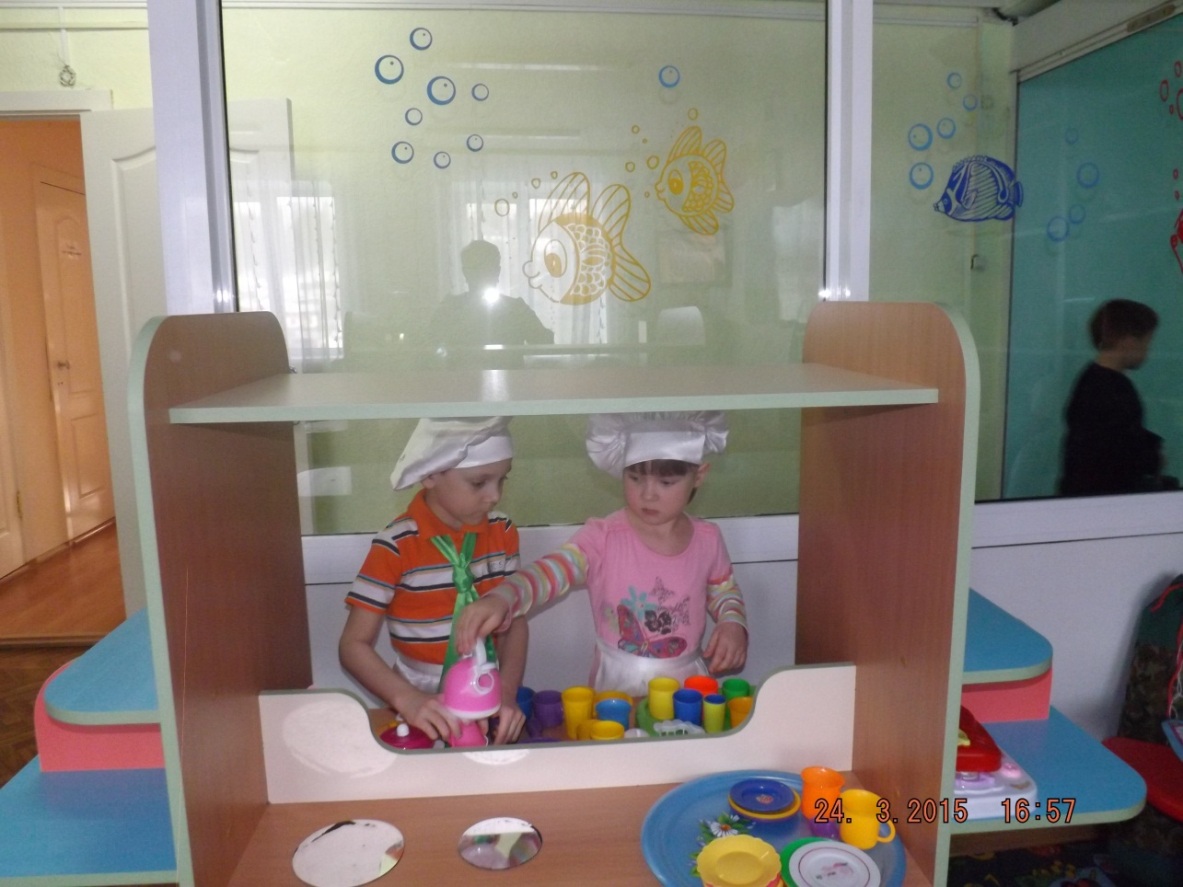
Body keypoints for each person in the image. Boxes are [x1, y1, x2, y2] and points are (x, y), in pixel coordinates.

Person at [455, 411, 748, 698]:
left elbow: (724, 590)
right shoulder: (604, 537)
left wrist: (732, 622)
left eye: (666, 483)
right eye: (635, 478)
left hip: (688, 685)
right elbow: (551, 572)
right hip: (618, 685)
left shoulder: (708, 539)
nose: (648, 494)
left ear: (699, 476)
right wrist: (503, 597)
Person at [339, 416, 528, 745]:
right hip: (418, 702)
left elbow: (515, 623)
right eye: (479, 483)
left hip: (485, 695)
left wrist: (507, 692)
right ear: (430, 475)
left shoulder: (503, 532)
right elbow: (353, 646)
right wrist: (408, 700)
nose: (494, 496)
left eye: (502, 480)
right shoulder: (396, 546)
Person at [1058, 298, 1177, 496]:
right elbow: (1118, 451)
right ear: (1129, 342)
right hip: (1103, 499)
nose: (1147, 351)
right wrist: (1154, 458)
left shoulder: (1090, 379)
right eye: (1146, 343)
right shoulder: (1113, 389)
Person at [427, 239, 553, 354]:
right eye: (477, 269)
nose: (482, 274)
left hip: (505, 373)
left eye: (487, 268)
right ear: (466, 272)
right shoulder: (449, 309)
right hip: (465, 373)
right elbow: (427, 347)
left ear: (497, 271)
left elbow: (545, 343)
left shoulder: (516, 309)